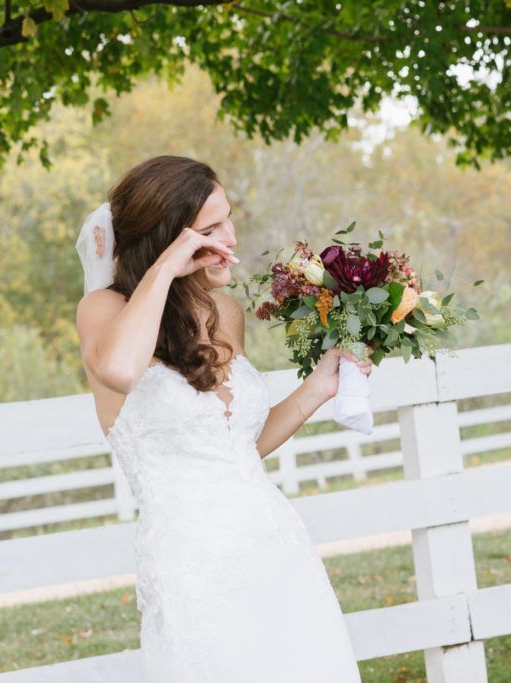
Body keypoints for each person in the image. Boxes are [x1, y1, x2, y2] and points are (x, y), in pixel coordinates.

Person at [75, 155, 365, 681]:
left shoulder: (223, 313)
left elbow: (234, 448)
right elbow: (118, 370)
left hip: (276, 544)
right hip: (191, 564)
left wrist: (318, 388)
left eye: (228, 218)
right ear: (169, 241)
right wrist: (169, 267)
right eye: (210, 230)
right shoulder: (102, 310)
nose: (230, 237)